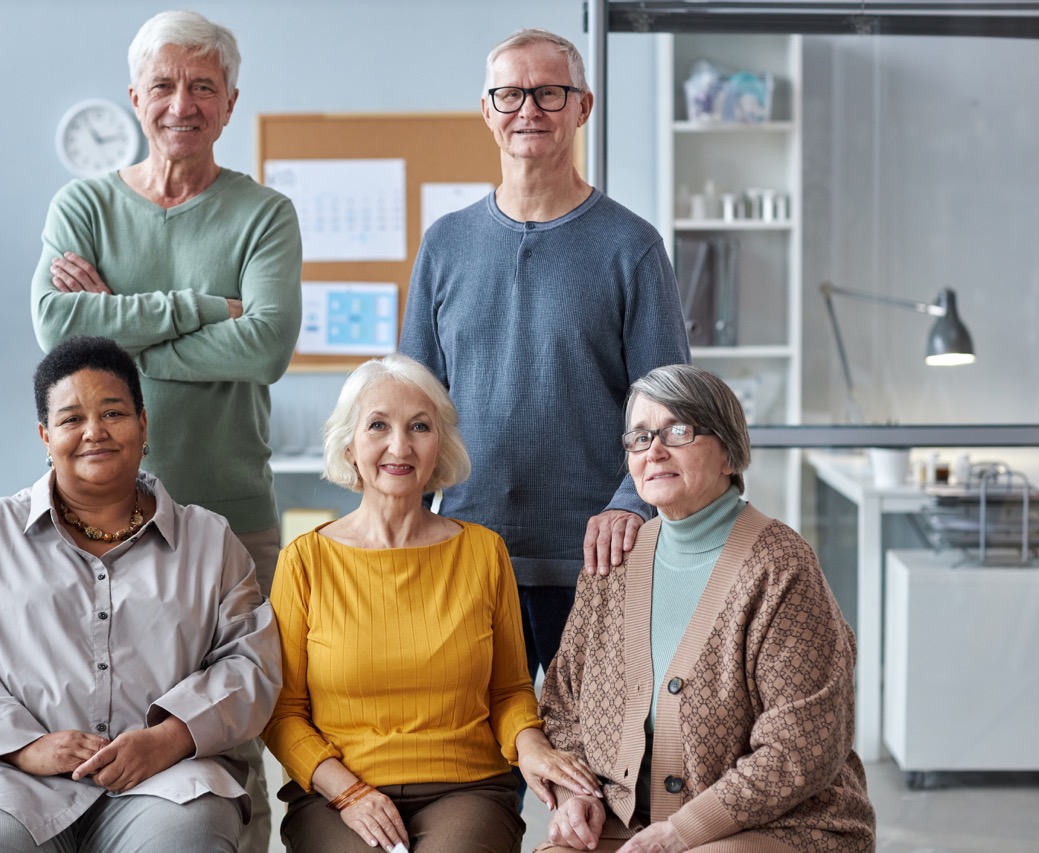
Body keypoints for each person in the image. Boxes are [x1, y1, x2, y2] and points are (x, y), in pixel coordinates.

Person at [30, 12, 302, 850]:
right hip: (92, 518)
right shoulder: (83, 203)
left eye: (203, 87)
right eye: (164, 85)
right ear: (135, 98)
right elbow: (58, 336)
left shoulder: (264, 213)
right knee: (88, 718)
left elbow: (264, 347)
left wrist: (115, 327)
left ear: (229, 104)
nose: (182, 103)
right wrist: (195, 308)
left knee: (231, 727)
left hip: (228, 512)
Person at [0, 336, 281, 853]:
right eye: (72, 419)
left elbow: (251, 662)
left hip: (163, 778)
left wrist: (170, 738)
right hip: (2, 777)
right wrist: (23, 745)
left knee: (185, 839)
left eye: (113, 412)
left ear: (144, 426)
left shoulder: (209, 541)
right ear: (45, 436)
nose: (94, 432)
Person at [398, 27, 691, 682]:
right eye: (509, 94)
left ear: (583, 106)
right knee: (480, 769)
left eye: (549, 93)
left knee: (595, 768)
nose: (527, 109)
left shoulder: (632, 247)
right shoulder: (445, 244)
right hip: (466, 556)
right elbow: (411, 402)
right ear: (487, 111)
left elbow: (670, 409)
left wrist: (629, 503)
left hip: (596, 561)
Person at [262, 353, 601, 853]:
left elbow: (509, 690)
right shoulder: (304, 561)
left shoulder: (484, 551)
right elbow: (283, 713)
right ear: (349, 444)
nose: (399, 445)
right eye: (378, 425)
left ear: (439, 445)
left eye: (419, 426)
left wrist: (532, 748)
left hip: (466, 788)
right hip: (338, 796)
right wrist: (349, 792)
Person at [536, 364, 875, 852]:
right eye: (640, 436)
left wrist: (683, 831)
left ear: (730, 455)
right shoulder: (614, 560)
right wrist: (577, 795)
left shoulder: (781, 567)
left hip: (776, 823)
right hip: (625, 822)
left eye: (678, 430)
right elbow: (564, 703)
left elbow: (803, 744)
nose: (655, 450)